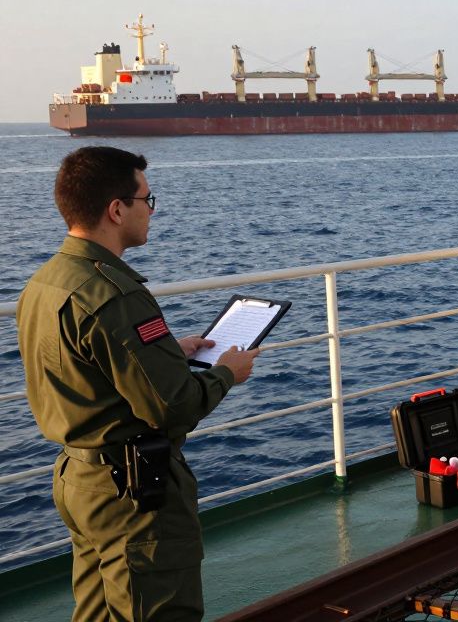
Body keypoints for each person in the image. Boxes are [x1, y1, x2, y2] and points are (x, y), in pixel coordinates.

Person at [17, 146, 259, 621]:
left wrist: (171, 349)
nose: (151, 210)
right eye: (147, 199)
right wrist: (228, 373)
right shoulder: (115, 294)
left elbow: (90, 366)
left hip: (78, 479)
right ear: (116, 209)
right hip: (131, 492)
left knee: (99, 612)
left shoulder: (46, 282)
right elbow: (172, 407)